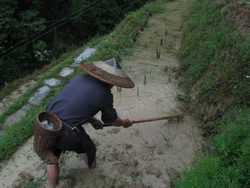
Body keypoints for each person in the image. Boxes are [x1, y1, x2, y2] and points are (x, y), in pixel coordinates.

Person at [41, 58, 134, 188]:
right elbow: (111, 120)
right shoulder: (105, 94)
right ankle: (92, 176)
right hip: (66, 132)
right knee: (89, 148)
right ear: (111, 81)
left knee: (52, 159)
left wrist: (92, 120)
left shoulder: (78, 78)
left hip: (45, 123)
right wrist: (124, 122)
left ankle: (53, 186)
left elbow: (74, 104)